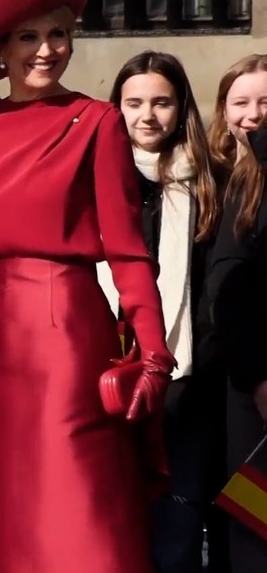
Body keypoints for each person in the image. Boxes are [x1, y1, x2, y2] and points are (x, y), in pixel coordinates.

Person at [0, 0, 174, 573]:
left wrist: (153, 353)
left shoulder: (96, 122)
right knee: (3, 516)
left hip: (68, 340)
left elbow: (126, 251)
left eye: (60, 34)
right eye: (29, 36)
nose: (47, 50)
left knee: (74, 507)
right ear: (0, 51)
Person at [102, 51, 227, 573]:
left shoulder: (211, 180)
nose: (147, 116)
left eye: (161, 102)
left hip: (186, 385)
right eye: (133, 103)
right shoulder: (94, 181)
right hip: (109, 377)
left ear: (182, 108)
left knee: (179, 524)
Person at [206, 54, 267, 573]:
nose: (252, 114)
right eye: (240, 102)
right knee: (255, 528)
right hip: (251, 391)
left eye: (265, 101)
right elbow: (228, 289)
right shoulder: (223, 180)